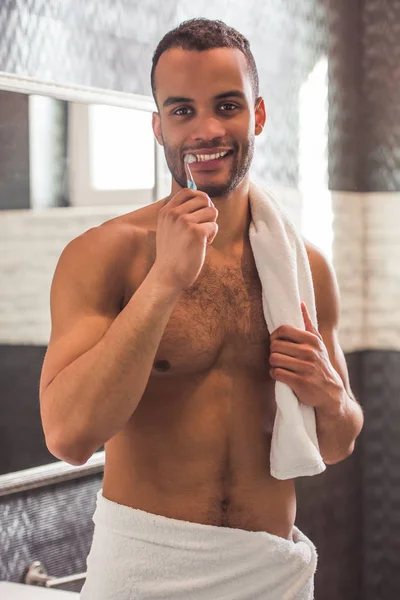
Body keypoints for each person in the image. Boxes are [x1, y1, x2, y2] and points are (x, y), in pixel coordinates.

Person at [39, 18, 364, 600]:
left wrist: (329, 394)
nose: (206, 129)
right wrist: (165, 280)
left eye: (227, 105)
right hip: (146, 571)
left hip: (270, 575)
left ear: (258, 116)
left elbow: (338, 441)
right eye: (183, 111)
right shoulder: (104, 257)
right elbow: (67, 436)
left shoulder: (304, 268)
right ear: (158, 126)